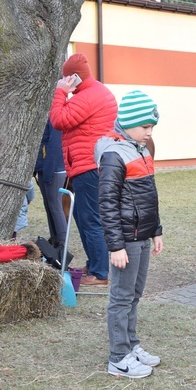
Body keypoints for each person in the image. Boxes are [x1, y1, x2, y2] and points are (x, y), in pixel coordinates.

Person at [95, 90, 163, 379]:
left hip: (142, 237)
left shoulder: (140, 149)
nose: (149, 133)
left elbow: (150, 195)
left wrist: (156, 230)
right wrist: (116, 246)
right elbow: (107, 203)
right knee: (121, 298)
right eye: (145, 127)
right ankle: (118, 357)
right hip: (126, 240)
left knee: (134, 295)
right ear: (129, 123)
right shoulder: (113, 154)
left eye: (152, 127)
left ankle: (132, 345)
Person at [49, 53, 117, 286]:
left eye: (66, 77)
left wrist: (60, 92)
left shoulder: (87, 96)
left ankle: (100, 273)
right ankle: (95, 264)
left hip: (88, 166)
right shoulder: (94, 91)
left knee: (90, 220)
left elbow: (59, 120)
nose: (63, 81)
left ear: (75, 77)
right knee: (82, 216)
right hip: (89, 165)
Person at [34, 120, 68, 248]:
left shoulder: (56, 117)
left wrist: (49, 170)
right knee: (48, 206)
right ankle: (54, 239)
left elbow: (54, 146)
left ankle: (62, 244)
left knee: (55, 206)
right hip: (45, 167)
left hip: (54, 168)